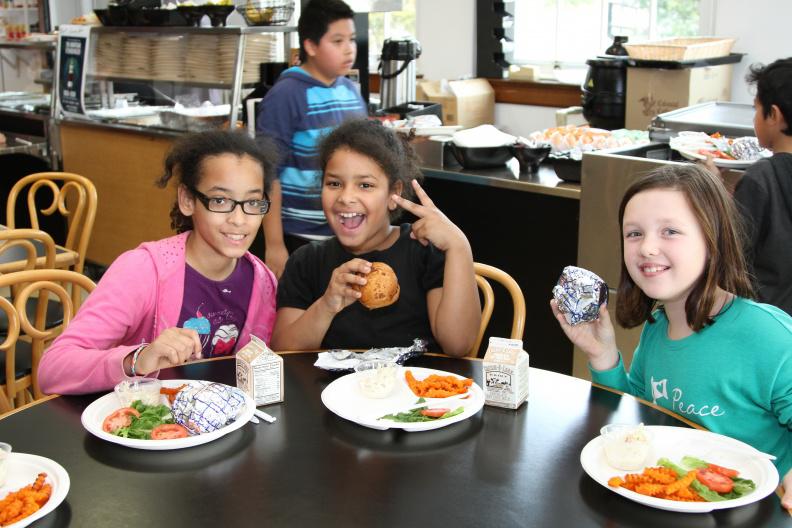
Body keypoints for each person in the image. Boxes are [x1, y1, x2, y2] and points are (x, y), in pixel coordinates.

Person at [550, 164, 792, 507]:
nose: (647, 247)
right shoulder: (657, 326)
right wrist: (603, 355)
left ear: (713, 238)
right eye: (634, 233)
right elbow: (639, 420)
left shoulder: (769, 337)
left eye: (670, 231)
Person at [38, 130, 280, 395]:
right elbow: (52, 369)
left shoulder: (262, 281)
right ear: (187, 200)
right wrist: (138, 358)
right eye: (220, 200)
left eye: (253, 202)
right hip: (147, 424)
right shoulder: (142, 271)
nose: (239, 219)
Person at [271, 119, 481, 357]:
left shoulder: (423, 251)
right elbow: (282, 351)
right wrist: (327, 304)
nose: (346, 196)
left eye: (365, 185)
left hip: (414, 388)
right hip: (331, 392)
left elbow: (458, 345)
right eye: (334, 183)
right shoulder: (307, 261)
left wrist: (459, 245)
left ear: (394, 193)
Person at [256, 0, 367, 278]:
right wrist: (275, 243)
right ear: (311, 46)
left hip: (347, 233)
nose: (349, 48)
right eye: (337, 41)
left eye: (351, 40)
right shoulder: (286, 95)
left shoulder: (350, 91)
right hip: (300, 237)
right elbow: (268, 174)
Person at [731, 58, 792, 316]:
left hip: (767, 323)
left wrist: (712, 190)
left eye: (757, 110)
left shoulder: (761, 178)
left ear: (774, 115)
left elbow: (730, 257)